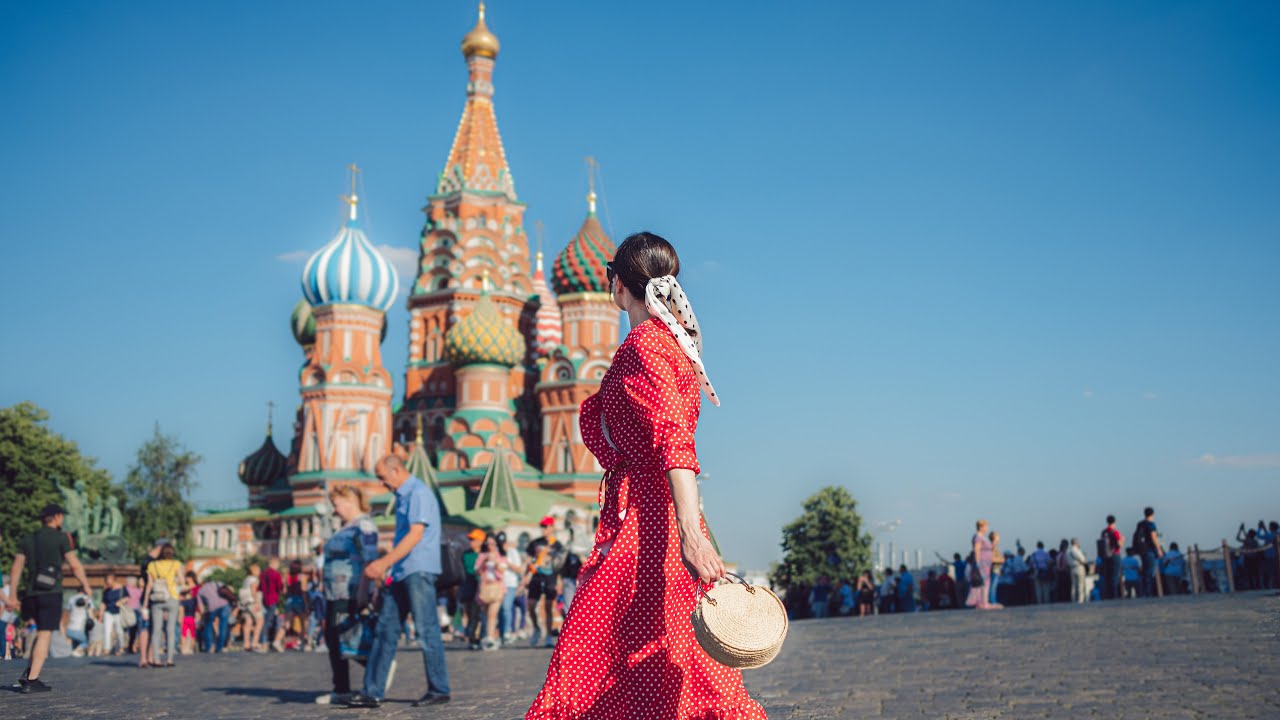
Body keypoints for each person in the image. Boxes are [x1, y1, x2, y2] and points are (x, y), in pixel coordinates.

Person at [526, 232, 765, 719]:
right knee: (666, 645)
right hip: (651, 514)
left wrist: (691, 536)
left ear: (617, 286)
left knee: (593, 648)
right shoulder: (671, 342)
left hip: (648, 523)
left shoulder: (644, 346)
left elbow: (676, 442)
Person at [346, 454, 451, 709]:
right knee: (385, 629)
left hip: (419, 569)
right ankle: (372, 691)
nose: (382, 484)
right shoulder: (404, 496)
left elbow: (416, 535)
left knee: (426, 629)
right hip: (403, 570)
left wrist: (383, 563)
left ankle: (439, 688)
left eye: (383, 477)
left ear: (396, 471)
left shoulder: (418, 493)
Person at [7, 503, 93, 693]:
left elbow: (16, 568)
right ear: (56, 517)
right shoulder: (61, 538)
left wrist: (12, 595)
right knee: (45, 634)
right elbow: (75, 565)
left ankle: (29, 673)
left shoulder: (28, 538)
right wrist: (86, 585)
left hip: (30, 594)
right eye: (61, 516)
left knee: (39, 633)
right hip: (50, 593)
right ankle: (32, 679)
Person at [315, 484, 378, 706]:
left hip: (350, 591)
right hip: (335, 592)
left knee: (345, 637)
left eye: (337, 504)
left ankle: (376, 668)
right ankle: (342, 687)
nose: (335, 509)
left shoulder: (364, 526)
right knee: (335, 638)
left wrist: (364, 589)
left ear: (350, 501)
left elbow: (370, 559)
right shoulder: (346, 527)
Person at [524, 516, 566, 648]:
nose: (544, 529)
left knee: (548, 606)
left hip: (550, 577)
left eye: (546, 526)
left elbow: (560, 565)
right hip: (536, 576)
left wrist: (559, 582)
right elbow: (528, 560)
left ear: (552, 528)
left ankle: (548, 635)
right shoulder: (535, 543)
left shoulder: (558, 545)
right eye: (542, 526)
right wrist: (526, 575)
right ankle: (536, 628)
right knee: (531, 605)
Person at [144, 542, 184, 667]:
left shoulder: (152, 565)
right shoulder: (176, 564)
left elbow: (149, 585)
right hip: (172, 598)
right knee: (170, 629)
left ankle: (156, 660)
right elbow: (182, 581)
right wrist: (174, 581)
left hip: (157, 599)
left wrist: (145, 602)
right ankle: (170, 659)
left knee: (156, 630)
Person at [475, 533, 509, 651]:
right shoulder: (482, 556)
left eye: (493, 543)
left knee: (492, 613)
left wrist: (496, 563)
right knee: (485, 614)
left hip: (497, 587)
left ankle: (490, 638)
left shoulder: (501, 556)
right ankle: (490, 636)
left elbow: (503, 571)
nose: (490, 546)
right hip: (485, 588)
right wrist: (484, 562)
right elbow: (477, 571)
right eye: (488, 543)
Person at [134, 541, 164, 667]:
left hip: (151, 597)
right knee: (149, 627)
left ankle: (146, 658)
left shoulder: (146, 561)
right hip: (153, 597)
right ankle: (147, 657)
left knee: (149, 627)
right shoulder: (151, 562)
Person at [461, 528, 485, 650]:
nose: (471, 541)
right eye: (470, 539)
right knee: (470, 613)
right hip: (468, 586)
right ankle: (473, 637)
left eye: (473, 539)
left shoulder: (484, 554)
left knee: (479, 614)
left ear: (481, 541)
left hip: (482, 586)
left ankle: (479, 637)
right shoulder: (465, 554)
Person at [967, 520, 1000, 609]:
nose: (987, 528)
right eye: (986, 526)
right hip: (982, 563)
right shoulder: (978, 537)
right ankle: (983, 603)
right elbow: (977, 550)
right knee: (983, 583)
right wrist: (977, 563)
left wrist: (995, 542)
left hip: (986, 563)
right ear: (981, 527)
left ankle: (982, 602)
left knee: (985, 582)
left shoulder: (982, 537)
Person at [497, 531, 523, 643]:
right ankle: (501, 632)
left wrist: (507, 563)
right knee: (499, 609)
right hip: (498, 584)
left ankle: (507, 631)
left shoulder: (512, 552)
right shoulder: (496, 553)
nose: (501, 545)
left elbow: (519, 569)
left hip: (510, 584)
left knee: (506, 607)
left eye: (503, 543)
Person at [1133, 507, 1164, 597]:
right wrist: (1159, 549)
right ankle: (1148, 593)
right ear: (1153, 514)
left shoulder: (1140, 524)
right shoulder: (1151, 524)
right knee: (1150, 573)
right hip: (1150, 550)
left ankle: (1143, 592)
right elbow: (1153, 537)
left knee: (1145, 572)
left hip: (1142, 551)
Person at [281, 560, 310, 650]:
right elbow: (303, 591)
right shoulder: (302, 577)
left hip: (289, 600)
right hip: (299, 600)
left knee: (287, 623)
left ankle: (278, 640)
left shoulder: (287, 577)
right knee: (304, 622)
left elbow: (284, 591)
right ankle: (303, 644)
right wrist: (306, 604)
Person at [197, 574, 230, 653]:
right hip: (224, 605)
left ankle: (208, 647)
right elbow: (228, 591)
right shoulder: (218, 583)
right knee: (223, 626)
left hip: (212, 608)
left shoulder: (200, 591)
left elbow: (201, 607)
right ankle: (219, 647)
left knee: (208, 626)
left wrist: (203, 617)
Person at [260, 557, 285, 651]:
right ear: (274, 564)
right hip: (273, 599)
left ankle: (265, 642)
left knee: (267, 621)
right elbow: (279, 587)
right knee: (269, 621)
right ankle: (265, 643)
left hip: (265, 599)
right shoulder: (276, 574)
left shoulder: (263, 573)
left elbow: (261, 587)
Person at [239, 564, 264, 652]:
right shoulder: (254, 579)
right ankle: (254, 643)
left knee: (248, 622)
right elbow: (253, 591)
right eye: (258, 570)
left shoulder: (246, 579)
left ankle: (246, 644)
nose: (259, 572)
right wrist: (257, 603)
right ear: (254, 571)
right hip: (252, 602)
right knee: (260, 621)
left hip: (245, 603)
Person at [1099, 516, 1125, 600]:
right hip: (1115, 555)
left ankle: (1108, 594)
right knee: (1115, 575)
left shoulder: (1104, 532)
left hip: (1106, 556)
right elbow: (1119, 545)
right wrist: (1122, 539)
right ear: (1114, 522)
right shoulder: (1115, 532)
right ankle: (1114, 595)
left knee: (1108, 576)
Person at [63, 590, 93, 656]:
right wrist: (91, 621)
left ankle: (75, 655)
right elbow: (90, 612)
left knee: (76, 645)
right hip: (79, 630)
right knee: (86, 642)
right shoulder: (86, 599)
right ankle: (75, 652)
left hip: (69, 629)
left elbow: (67, 613)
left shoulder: (71, 599)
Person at [100, 573, 125, 656]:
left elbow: (127, 598)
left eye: (109, 581)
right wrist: (101, 615)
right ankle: (107, 648)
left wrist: (120, 602)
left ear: (113, 580)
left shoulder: (121, 588)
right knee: (107, 630)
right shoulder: (106, 591)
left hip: (118, 612)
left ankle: (121, 647)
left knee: (119, 631)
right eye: (106, 582)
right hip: (108, 612)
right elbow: (103, 602)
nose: (107, 583)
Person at [179, 572, 199, 654]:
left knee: (185, 634)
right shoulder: (192, 599)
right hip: (191, 616)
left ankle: (186, 648)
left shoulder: (183, 601)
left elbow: (181, 611)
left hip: (187, 616)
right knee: (191, 633)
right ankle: (190, 648)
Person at [1067, 538, 1089, 604]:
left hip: (1072, 568)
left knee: (1073, 585)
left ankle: (1073, 599)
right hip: (1079, 567)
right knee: (1080, 584)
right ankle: (1080, 600)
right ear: (1076, 543)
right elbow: (1082, 559)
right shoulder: (1076, 550)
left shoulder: (1068, 552)